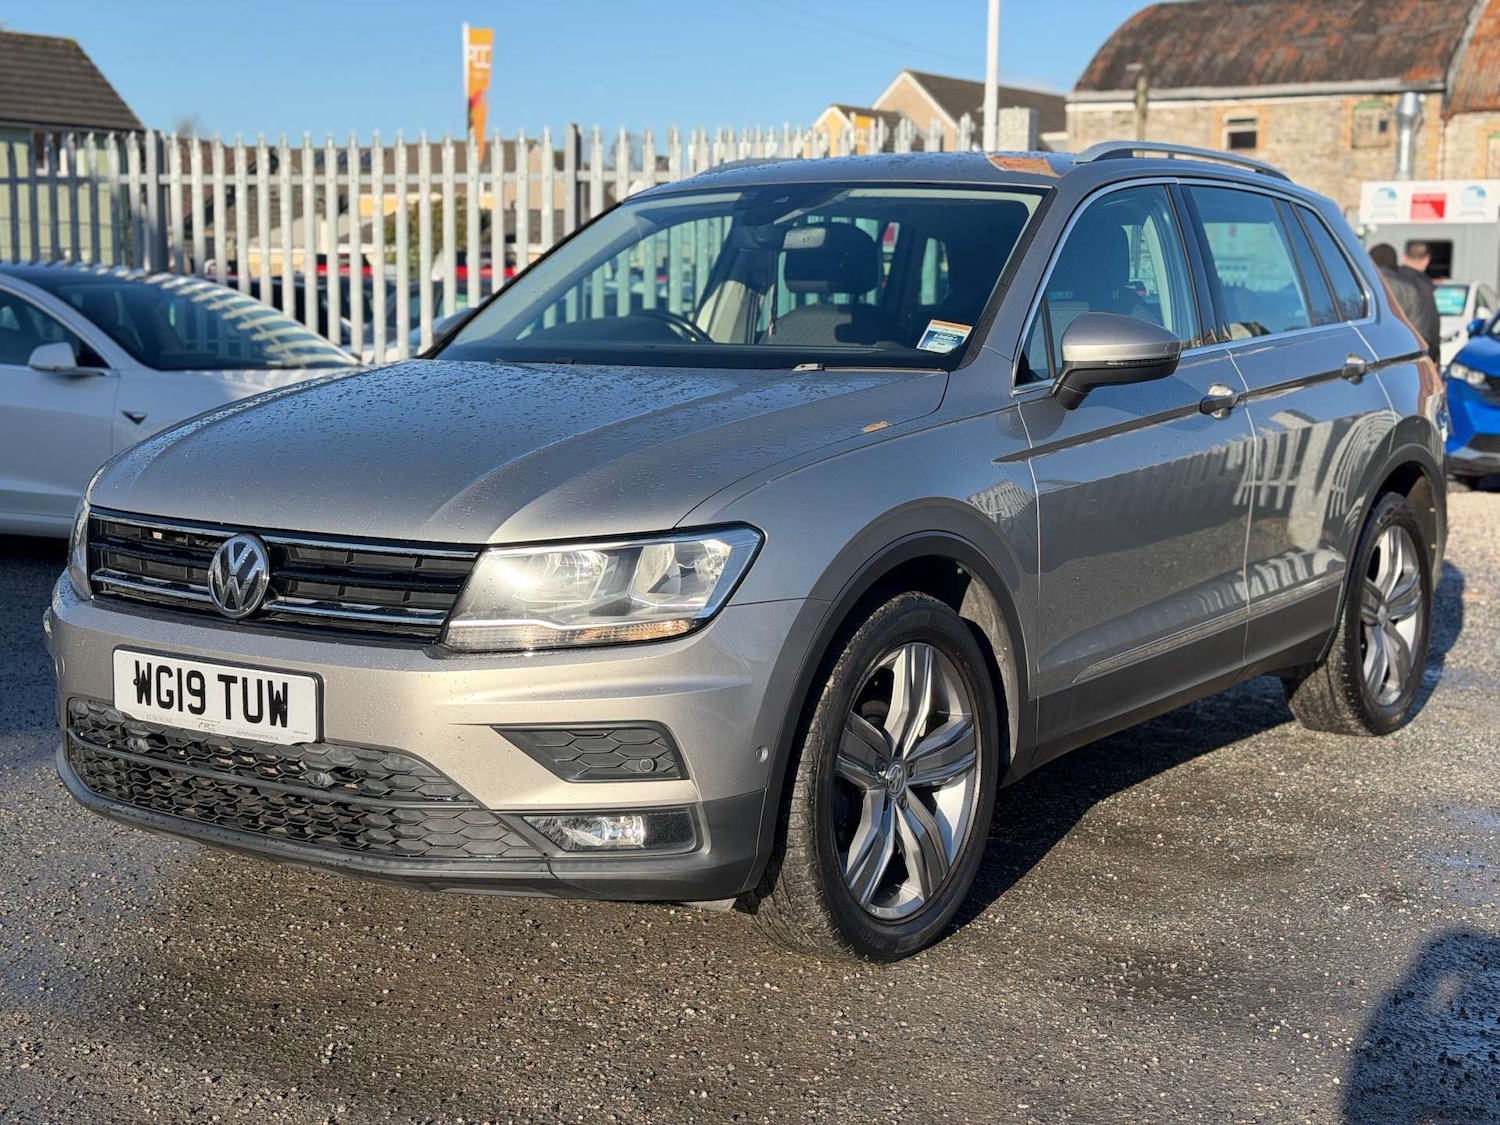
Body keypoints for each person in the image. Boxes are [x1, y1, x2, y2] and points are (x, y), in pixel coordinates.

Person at [1369, 243, 1440, 363]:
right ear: (1426, 259)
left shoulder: (1357, 287)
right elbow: (1424, 330)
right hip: (1401, 360)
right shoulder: (1412, 289)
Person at [1401, 240, 1443, 363]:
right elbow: (1431, 322)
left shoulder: (1391, 279)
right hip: (1417, 352)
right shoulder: (1423, 285)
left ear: (1404, 257)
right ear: (1426, 260)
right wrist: (1433, 355)